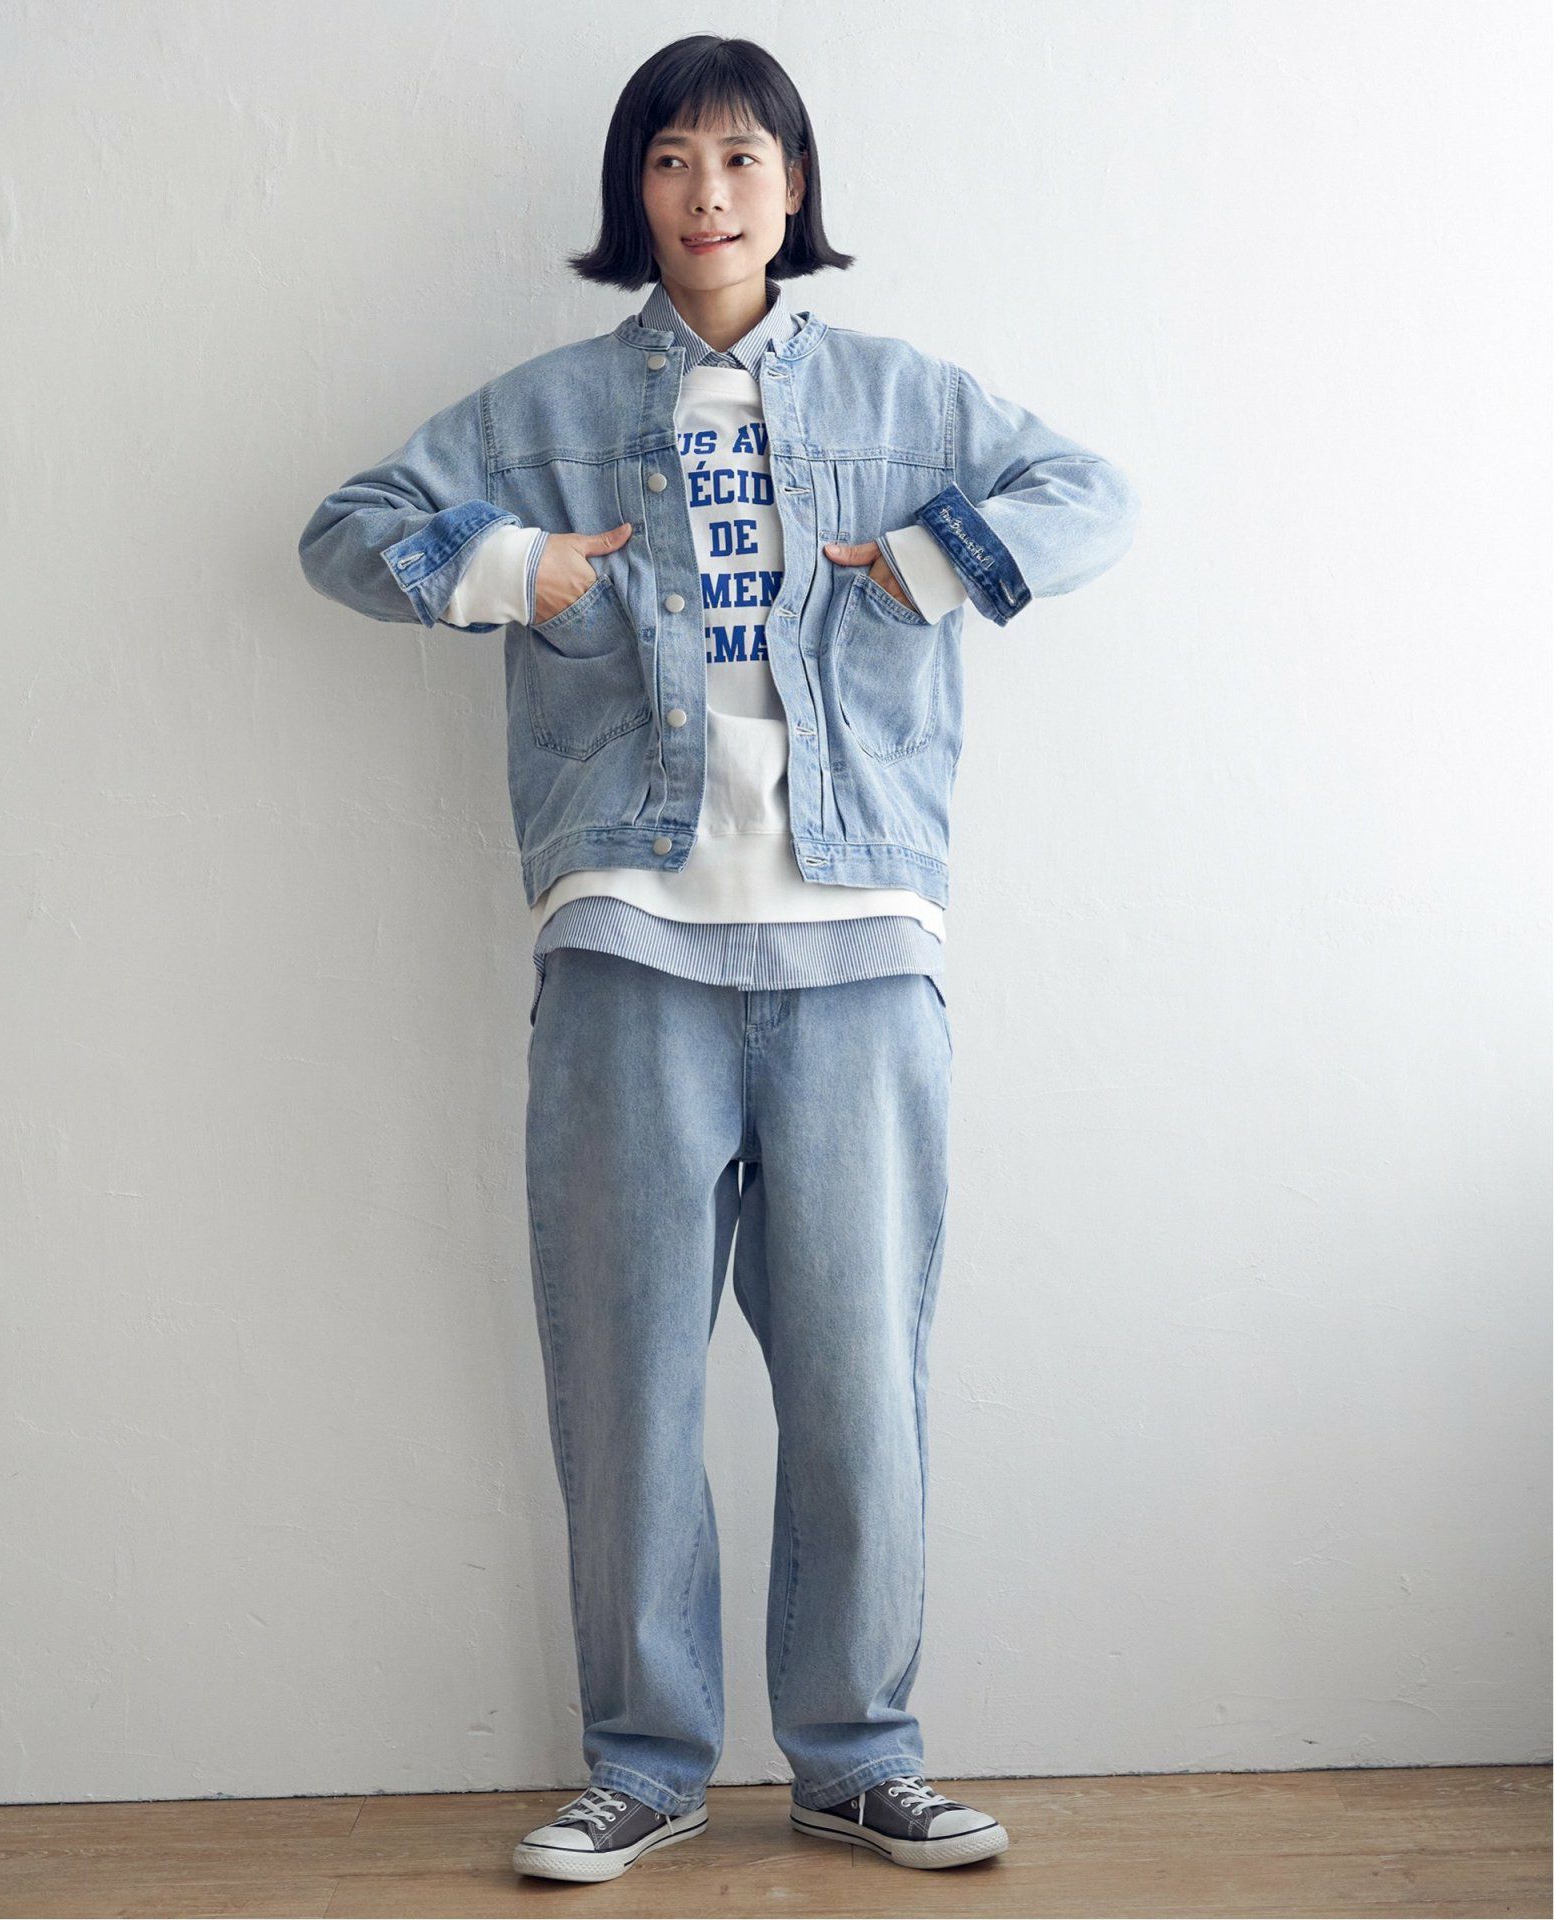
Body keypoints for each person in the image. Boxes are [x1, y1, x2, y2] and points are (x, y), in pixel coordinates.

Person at [299, 32, 1138, 1884]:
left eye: (743, 157)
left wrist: (932, 559)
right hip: (630, 933)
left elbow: (1093, 494)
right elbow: (345, 533)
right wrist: (515, 569)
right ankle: (643, 1763)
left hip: (858, 939)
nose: (708, 192)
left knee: (859, 1385)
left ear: (795, 187)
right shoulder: (540, 411)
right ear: (636, 192)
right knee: (626, 1382)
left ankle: (859, 1756)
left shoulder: (910, 400)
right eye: (672, 159)